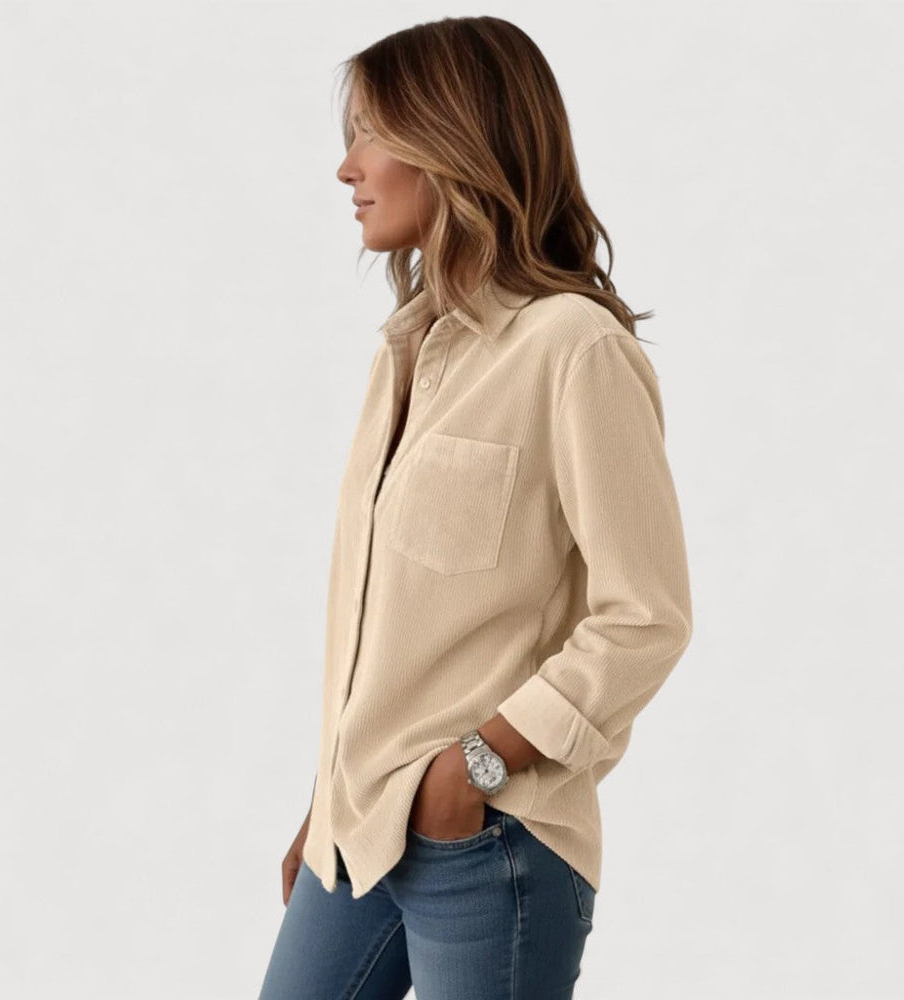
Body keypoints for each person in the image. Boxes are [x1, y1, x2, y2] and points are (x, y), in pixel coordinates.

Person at [257, 15, 693, 1000]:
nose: (346, 168)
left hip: (487, 837)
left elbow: (646, 615)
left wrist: (477, 767)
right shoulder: (402, 355)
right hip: (355, 831)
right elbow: (388, 623)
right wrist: (327, 797)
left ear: (450, 141)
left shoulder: (572, 348)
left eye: (371, 134)